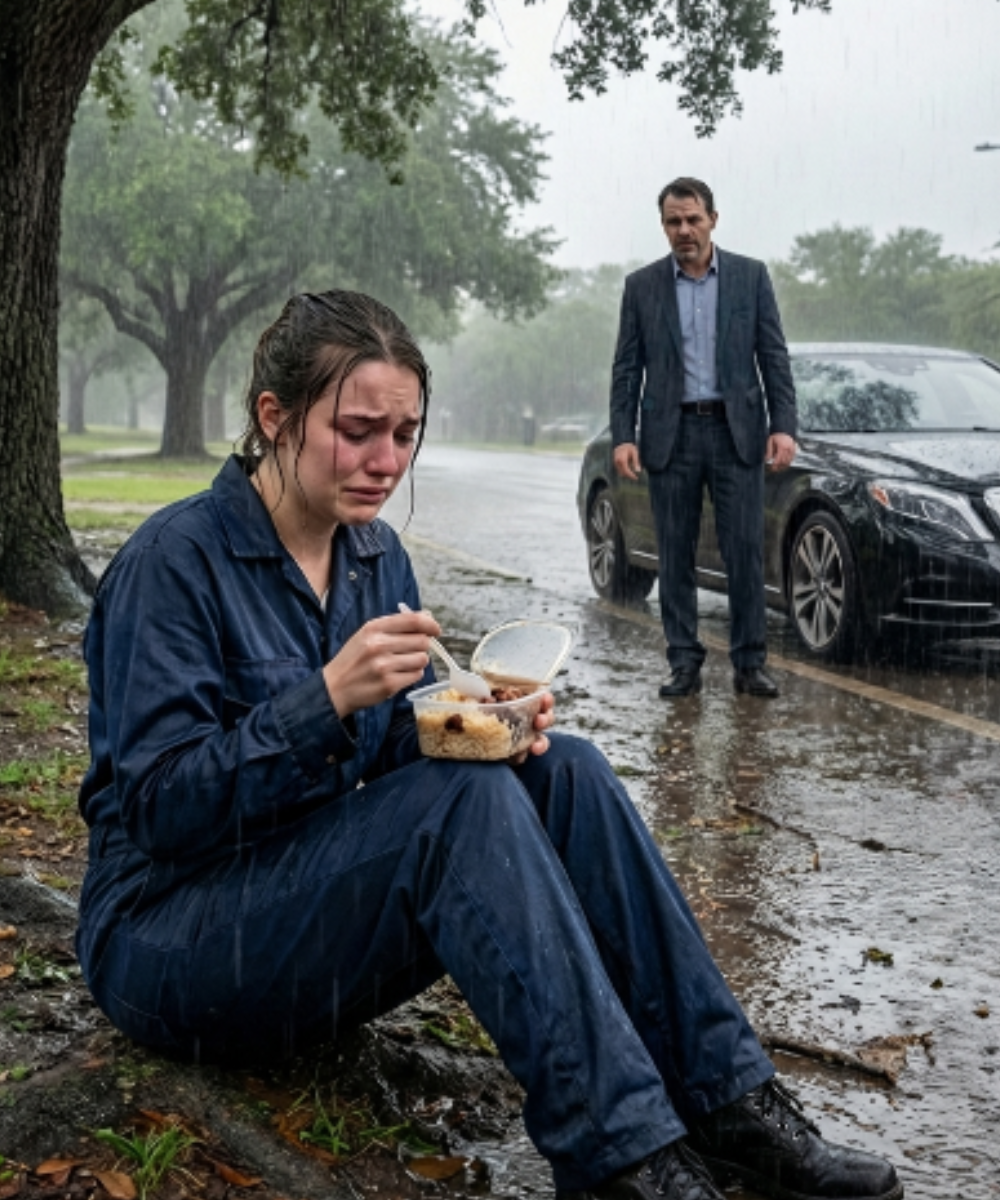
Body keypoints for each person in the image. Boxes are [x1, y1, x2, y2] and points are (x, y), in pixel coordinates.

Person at [76, 290, 900, 1200]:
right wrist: (324, 700)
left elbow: (388, 757)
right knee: (459, 808)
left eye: (404, 433)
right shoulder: (174, 563)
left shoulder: (374, 555)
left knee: (567, 769)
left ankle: (729, 1104)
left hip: (297, 905)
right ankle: (621, 1160)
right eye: (357, 431)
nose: (385, 461)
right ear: (275, 417)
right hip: (168, 937)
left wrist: (483, 730)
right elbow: (158, 810)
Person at [610, 177, 798, 700]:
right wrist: (624, 435)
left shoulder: (750, 277)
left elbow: (773, 357)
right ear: (664, 226)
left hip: (736, 432)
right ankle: (684, 662)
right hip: (671, 436)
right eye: (674, 221)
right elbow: (626, 368)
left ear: (713, 219)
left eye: (693, 219)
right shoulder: (642, 286)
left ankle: (749, 663)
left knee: (744, 553)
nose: (684, 230)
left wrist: (784, 425)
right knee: (674, 553)